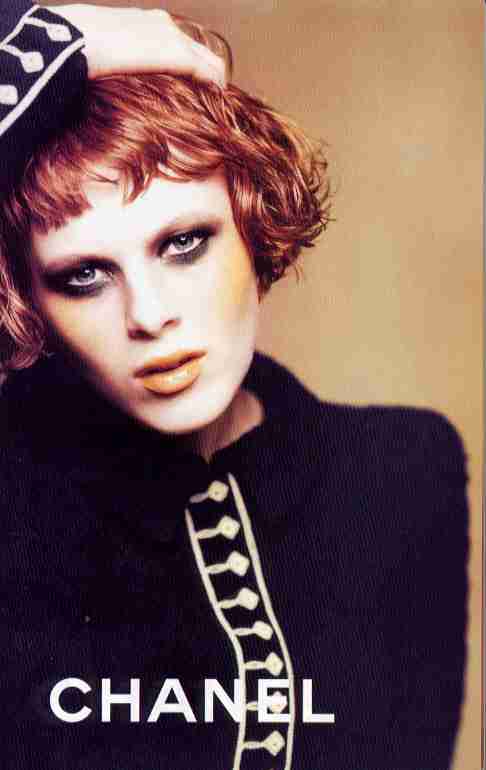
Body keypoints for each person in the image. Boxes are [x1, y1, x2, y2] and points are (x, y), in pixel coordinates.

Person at [0, 3, 469, 769]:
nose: (149, 315)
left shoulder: (404, 472)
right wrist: (55, 39)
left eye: (184, 242)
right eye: (84, 275)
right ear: (29, 301)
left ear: (253, 224)